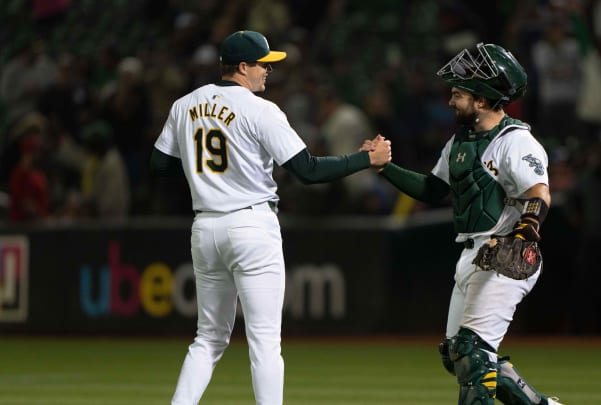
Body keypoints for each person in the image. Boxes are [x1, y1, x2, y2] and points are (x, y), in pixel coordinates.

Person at [149, 30, 391, 405]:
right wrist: (366, 160)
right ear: (242, 67)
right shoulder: (261, 110)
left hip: (205, 226)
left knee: (208, 338)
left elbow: (159, 164)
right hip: (250, 225)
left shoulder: (185, 104)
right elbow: (308, 171)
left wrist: (207, 179)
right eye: (263, 64)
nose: (268, 71)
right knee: (264, 340)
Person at [363, 43, 562, 404]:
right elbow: (433, 188)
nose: (451, 100)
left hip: (504, 253)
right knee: (459, 355)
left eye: (458, 93)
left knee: (472, 353)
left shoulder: (515, 141)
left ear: (483, 100)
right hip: (472, 254)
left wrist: (524, 234)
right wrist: (384, 167)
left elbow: (539, 193)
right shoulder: (461, 140)